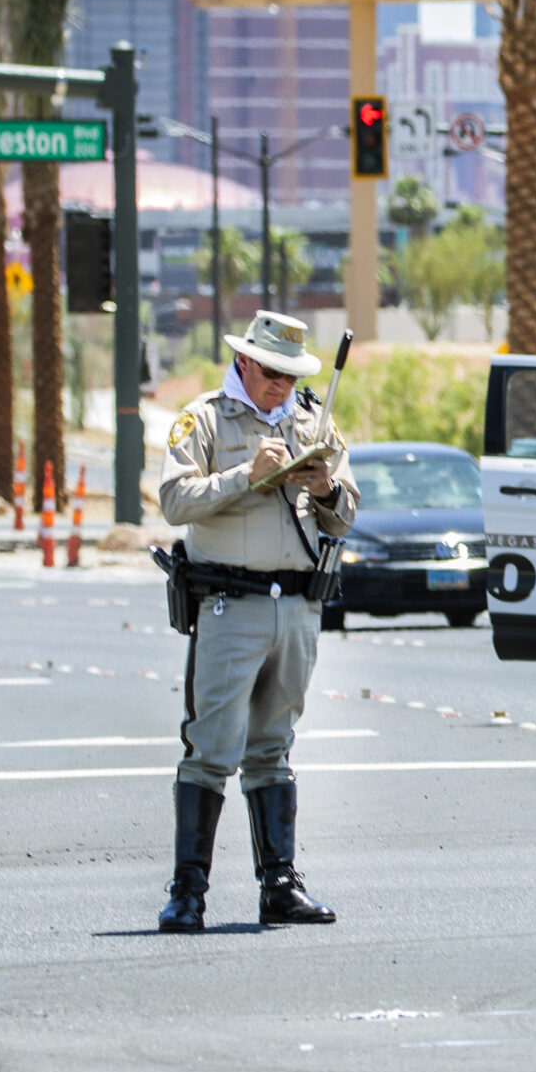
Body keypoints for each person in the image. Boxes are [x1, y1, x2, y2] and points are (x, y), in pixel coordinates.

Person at [156, 310, 359, 932]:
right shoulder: (207, 418)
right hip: (229, 606)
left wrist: (325, 488)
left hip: (296, 607)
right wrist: (246, 475)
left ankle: (280, 885)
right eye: (271, 371)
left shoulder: (312, 420)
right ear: (245, 360)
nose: (280, 384)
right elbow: (173, 501)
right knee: (211, 748)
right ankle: (188, 890)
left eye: (290, 373)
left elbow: (344, 515)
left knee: (274, 746)